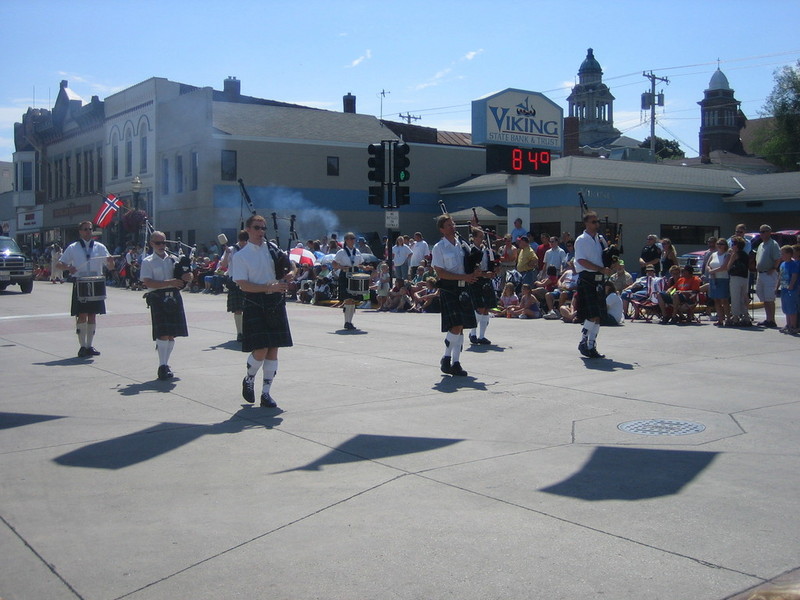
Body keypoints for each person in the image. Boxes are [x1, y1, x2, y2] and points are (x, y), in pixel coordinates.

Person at [231, 215, 295, 409]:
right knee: (261, 349)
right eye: (257, 228)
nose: (261, 232)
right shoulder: (240, 256)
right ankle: (249, 378)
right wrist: (270, 288)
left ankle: (266, 393)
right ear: (248, 229)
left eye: (263, 228)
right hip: (255, 301)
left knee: (273, 349)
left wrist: (292, 273)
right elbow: (243, 285)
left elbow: (290, 266)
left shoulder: (272, 249)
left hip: (275, 302)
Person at [56, 221, 116, 358]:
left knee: (93, 315)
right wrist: (68, 268)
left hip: (96, 282)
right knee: (82, 314)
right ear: (80, 232)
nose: (88, 231)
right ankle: (82, 346)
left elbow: (111, 267)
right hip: (81, 282)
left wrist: (111, 261)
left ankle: (90, 345)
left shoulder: (100, 247)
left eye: (90, 229)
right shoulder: (73, 247)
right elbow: (59, 264)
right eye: (85, 229)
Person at [140, 231, 193, 380]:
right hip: (157, 297)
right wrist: (169, 283)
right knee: (162, 333)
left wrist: (188, 276)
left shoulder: (174, 259)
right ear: (151, 244)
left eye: (164, 243)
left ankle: (166, 363)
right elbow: (148, 282)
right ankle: (162, 366)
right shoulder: (148, 261)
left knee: (171, 334)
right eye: (158, 243)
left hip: (174, 297)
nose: (162, 246)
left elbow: (183, 276)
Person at [431, 214, 479, 376]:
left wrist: (474, 272)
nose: (453, 227)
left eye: (453, 224)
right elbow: (440, 272)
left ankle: (455, 362)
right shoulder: (439, 248)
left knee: (461, 328)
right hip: (449, 289)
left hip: (464, 288)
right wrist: (463, 277)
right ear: (442, 229)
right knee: (457, 325)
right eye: (449, 225)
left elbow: (470, 262)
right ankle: (446, 357)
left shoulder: (462, 245)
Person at [574, 211, 612, 358]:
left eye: (597, 222)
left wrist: (611, 263)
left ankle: (591, 346)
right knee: (592, 314)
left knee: (598, 316)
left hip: (599, 278)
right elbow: (581, 261)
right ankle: (583, 341)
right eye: (593, 222)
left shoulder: (600, 239)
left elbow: (605, 257)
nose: (597, 224)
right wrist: (601, 269)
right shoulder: (581, 240)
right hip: (587, 278)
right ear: (586, 223)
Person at [333, 232, 370, 330]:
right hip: (345, 274)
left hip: (355, 274)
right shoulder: (341, 252)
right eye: (351, 238)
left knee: (353, 300)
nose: (353, 240)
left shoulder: (357, 251)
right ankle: (347, 322)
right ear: (346, 240)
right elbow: (334, 263)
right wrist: (341, 267)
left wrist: (365, 267)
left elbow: (360, 264)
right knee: (348, 299)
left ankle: (350, 322)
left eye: (354, 238)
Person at [467, 227, 497, 345]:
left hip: (486, 281)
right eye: (479, 237)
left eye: (482, 237)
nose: (482, 239)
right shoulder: (471, 250)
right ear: (474, 238)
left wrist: (493, 271)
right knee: (479, 308)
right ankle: (473, 333)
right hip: (475, 281)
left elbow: (491, 265)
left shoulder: (487, 250)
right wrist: (484, 274)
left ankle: (482, 336)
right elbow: (471, 269)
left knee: (486, 309)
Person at [219, 230, 249, 342]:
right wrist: (226, 253)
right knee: (238, 309)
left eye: (245, 241)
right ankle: (240, 333)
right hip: (235, 281)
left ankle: (248, 331)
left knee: (249, 308)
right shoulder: (231, 250)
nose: (243, 244)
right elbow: (223, 265)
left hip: (249, 281)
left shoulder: (251, 250)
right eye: (241, 241)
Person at [754, 224, 782, 328]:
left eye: (764, 231)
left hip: (769, 274)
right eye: (761, 232)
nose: (762, 234)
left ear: (770, 232)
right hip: (761, 274)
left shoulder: (773, 244)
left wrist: (774, 268)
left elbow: (778, 258)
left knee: (770, 298)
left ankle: (772, 320)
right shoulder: (761, 245)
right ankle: (768, 318)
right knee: (764, 297)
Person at [727, 236, 751, 326]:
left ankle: (735, 317)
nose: (732, 246)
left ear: (736, 245)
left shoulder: (735, 254)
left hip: (736, 277)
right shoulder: (745, 254)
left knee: (735, 297)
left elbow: (728, 266)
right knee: (744, 297)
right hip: (745, 277)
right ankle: (745, 316)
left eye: (733, 244)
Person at [707, 237, 732, 326]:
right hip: (713, 279)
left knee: (724, 300)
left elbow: (724, 267)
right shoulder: (713, 254)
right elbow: (708, 265)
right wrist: (710, 271)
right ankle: (720, 319)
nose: (720, 246)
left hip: (723, 279)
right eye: (718, 244)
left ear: (725, 245)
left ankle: (728, 318)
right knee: (716, 300)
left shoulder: (727, 255)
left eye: (722, 244)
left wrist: (712, 271)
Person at [778, 245, 798, 334]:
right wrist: (776, 286)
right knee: (785, 308)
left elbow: (794, 275)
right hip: (783, 289)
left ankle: (793, 326)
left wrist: (791, 285)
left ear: (789, 254)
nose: (781, 256)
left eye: (783, 254)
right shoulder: (782, 264)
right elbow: (780, 276)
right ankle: (788, 324)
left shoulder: (793, 264)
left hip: (792, 290)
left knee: (792, 308)